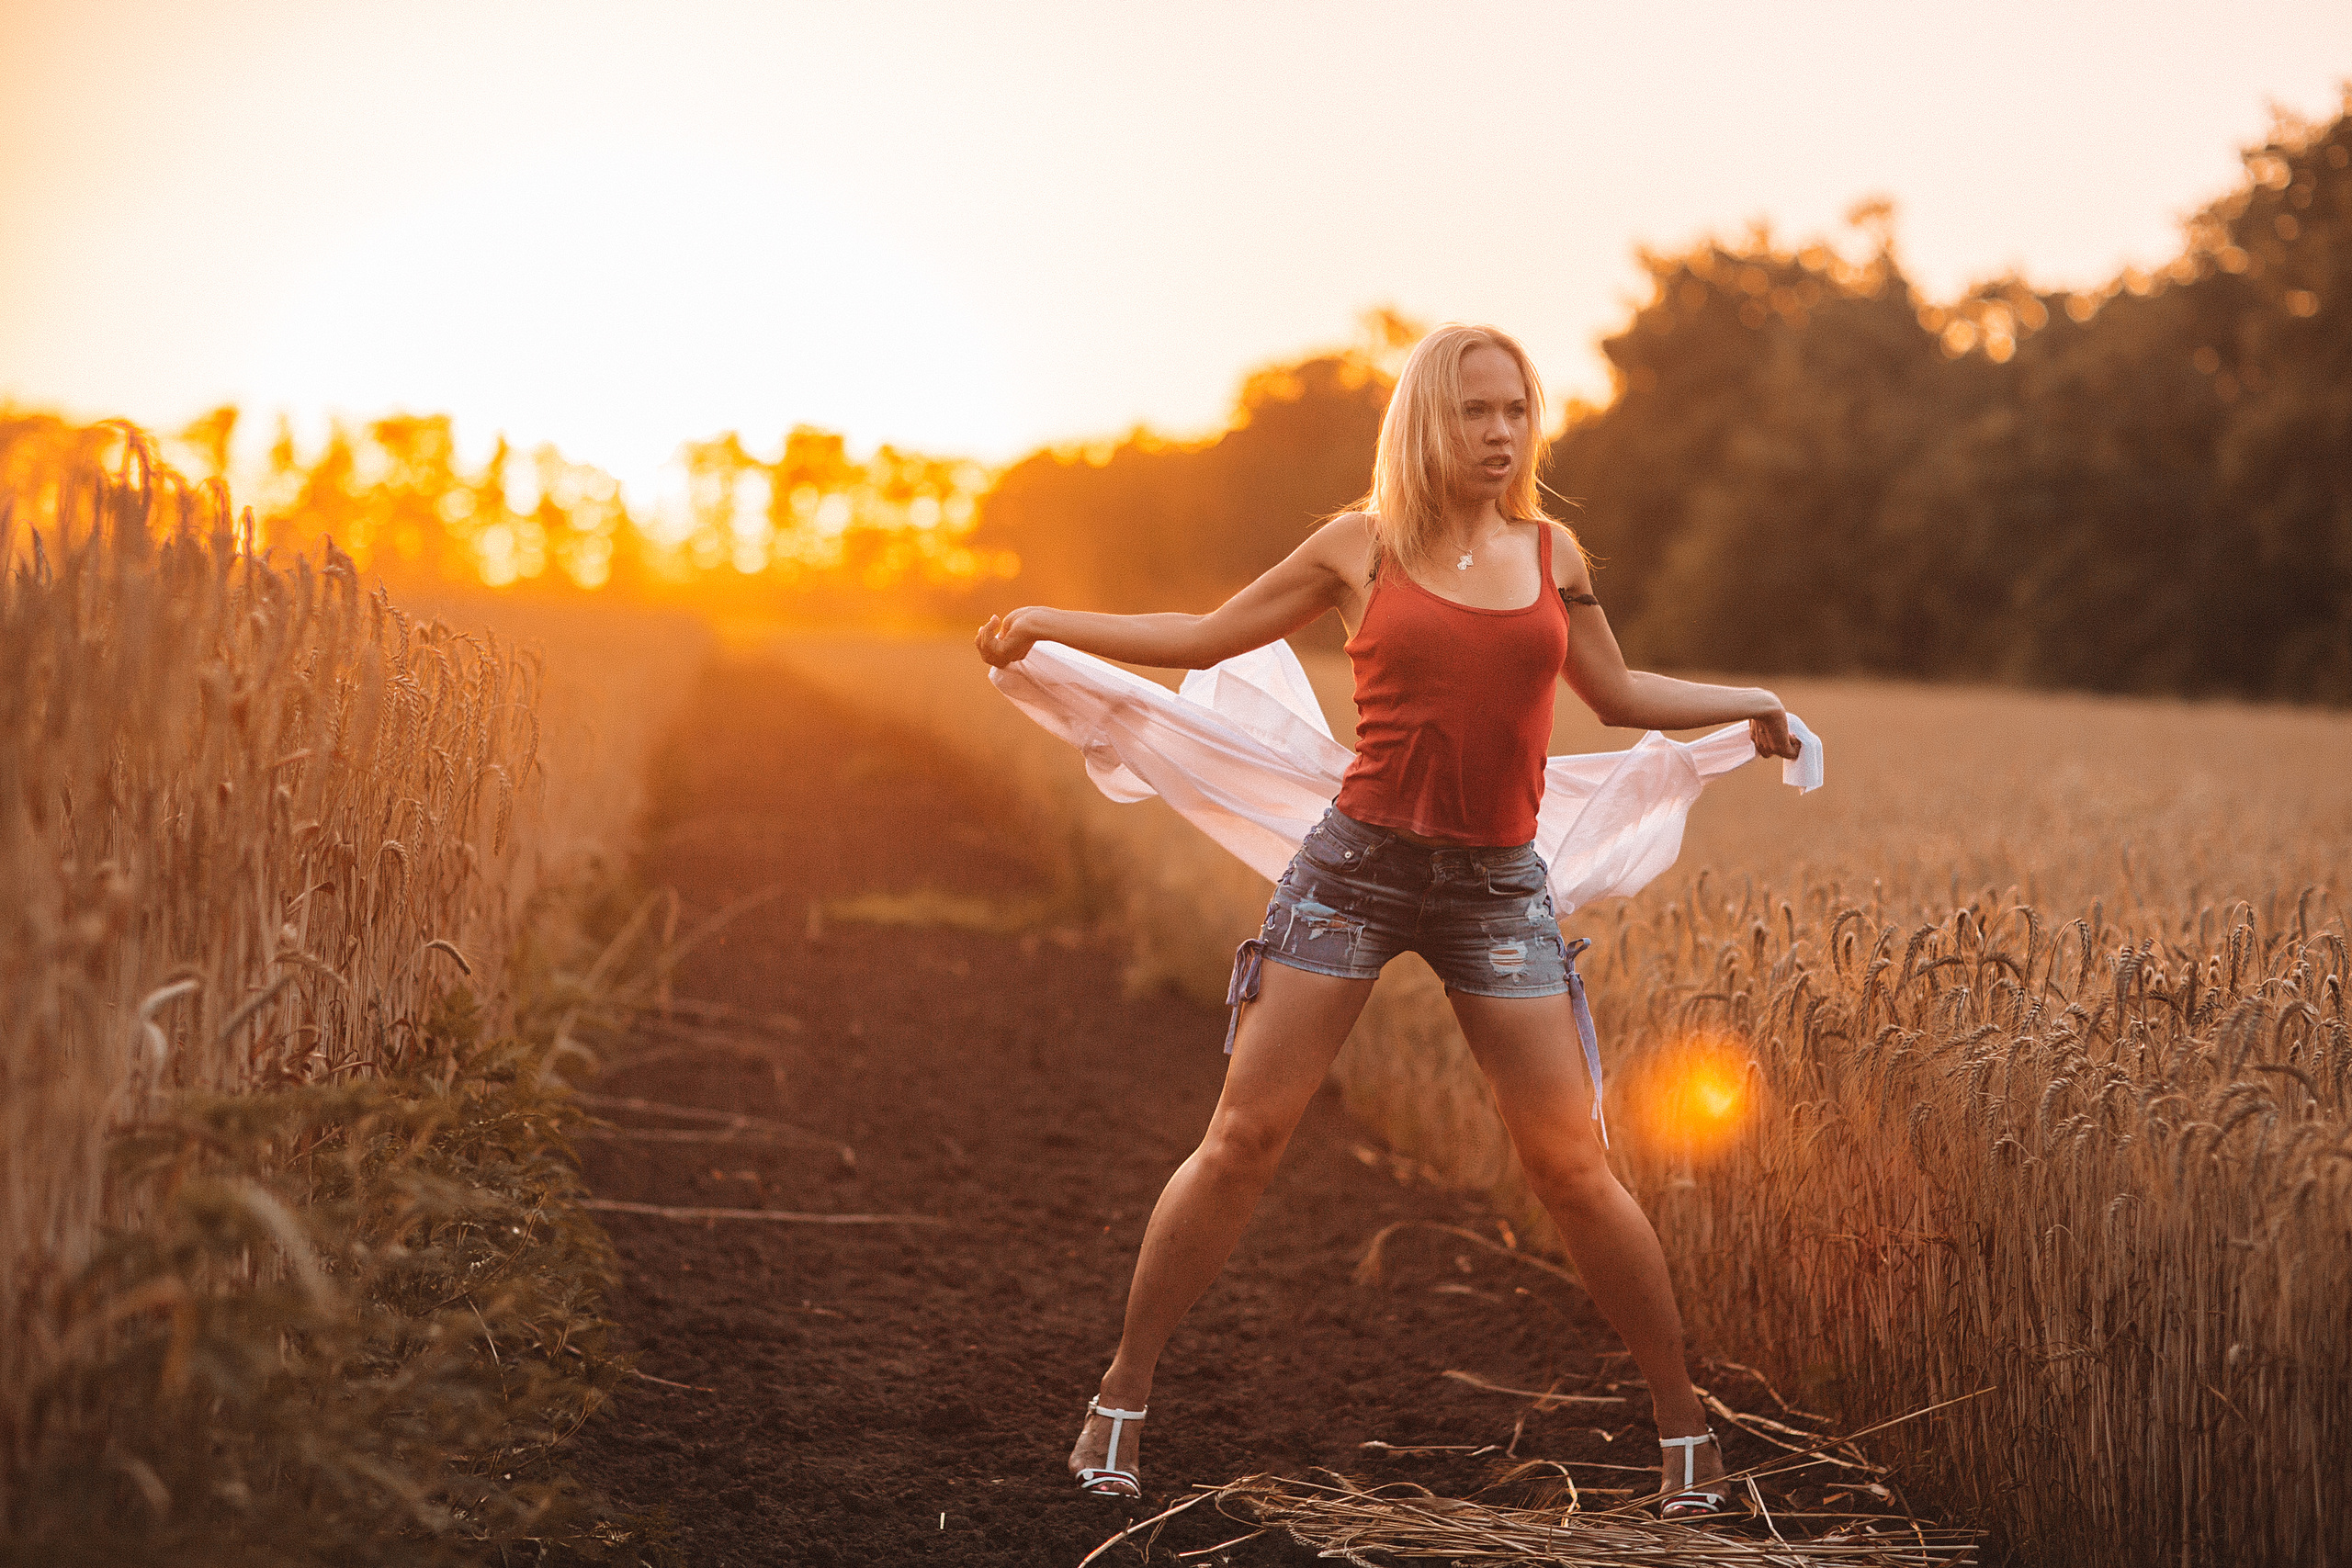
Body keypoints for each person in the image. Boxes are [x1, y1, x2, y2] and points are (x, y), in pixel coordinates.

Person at [974, 322, 1803, 1518]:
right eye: (1476, 411)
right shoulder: (1356, 547)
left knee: (1571, 1166)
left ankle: (1685, 1429)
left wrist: (1754, 706)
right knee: (1245, 1138)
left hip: (1496, 893)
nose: (1502, 432)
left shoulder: (1553, 553)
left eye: (1517, 410)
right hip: (1352, 875)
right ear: (1427, 418)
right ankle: (1122, 1395)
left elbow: (1617, 695)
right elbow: (1205, 639)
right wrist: (1057, 621)